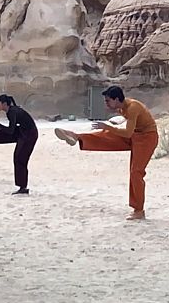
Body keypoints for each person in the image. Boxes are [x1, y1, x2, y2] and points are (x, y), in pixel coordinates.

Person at [53, 86, 159, 221]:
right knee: (106, 135)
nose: (106, 103)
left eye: (108, 101)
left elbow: (127, 133)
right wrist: (108, 129)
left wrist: (108, 127)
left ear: (116, 99)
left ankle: (139, 210)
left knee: (136, 172)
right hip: (135, 136)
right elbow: (128, 131)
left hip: (147, 138)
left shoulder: (133, 107)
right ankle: (76, 136)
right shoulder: (121, 107)